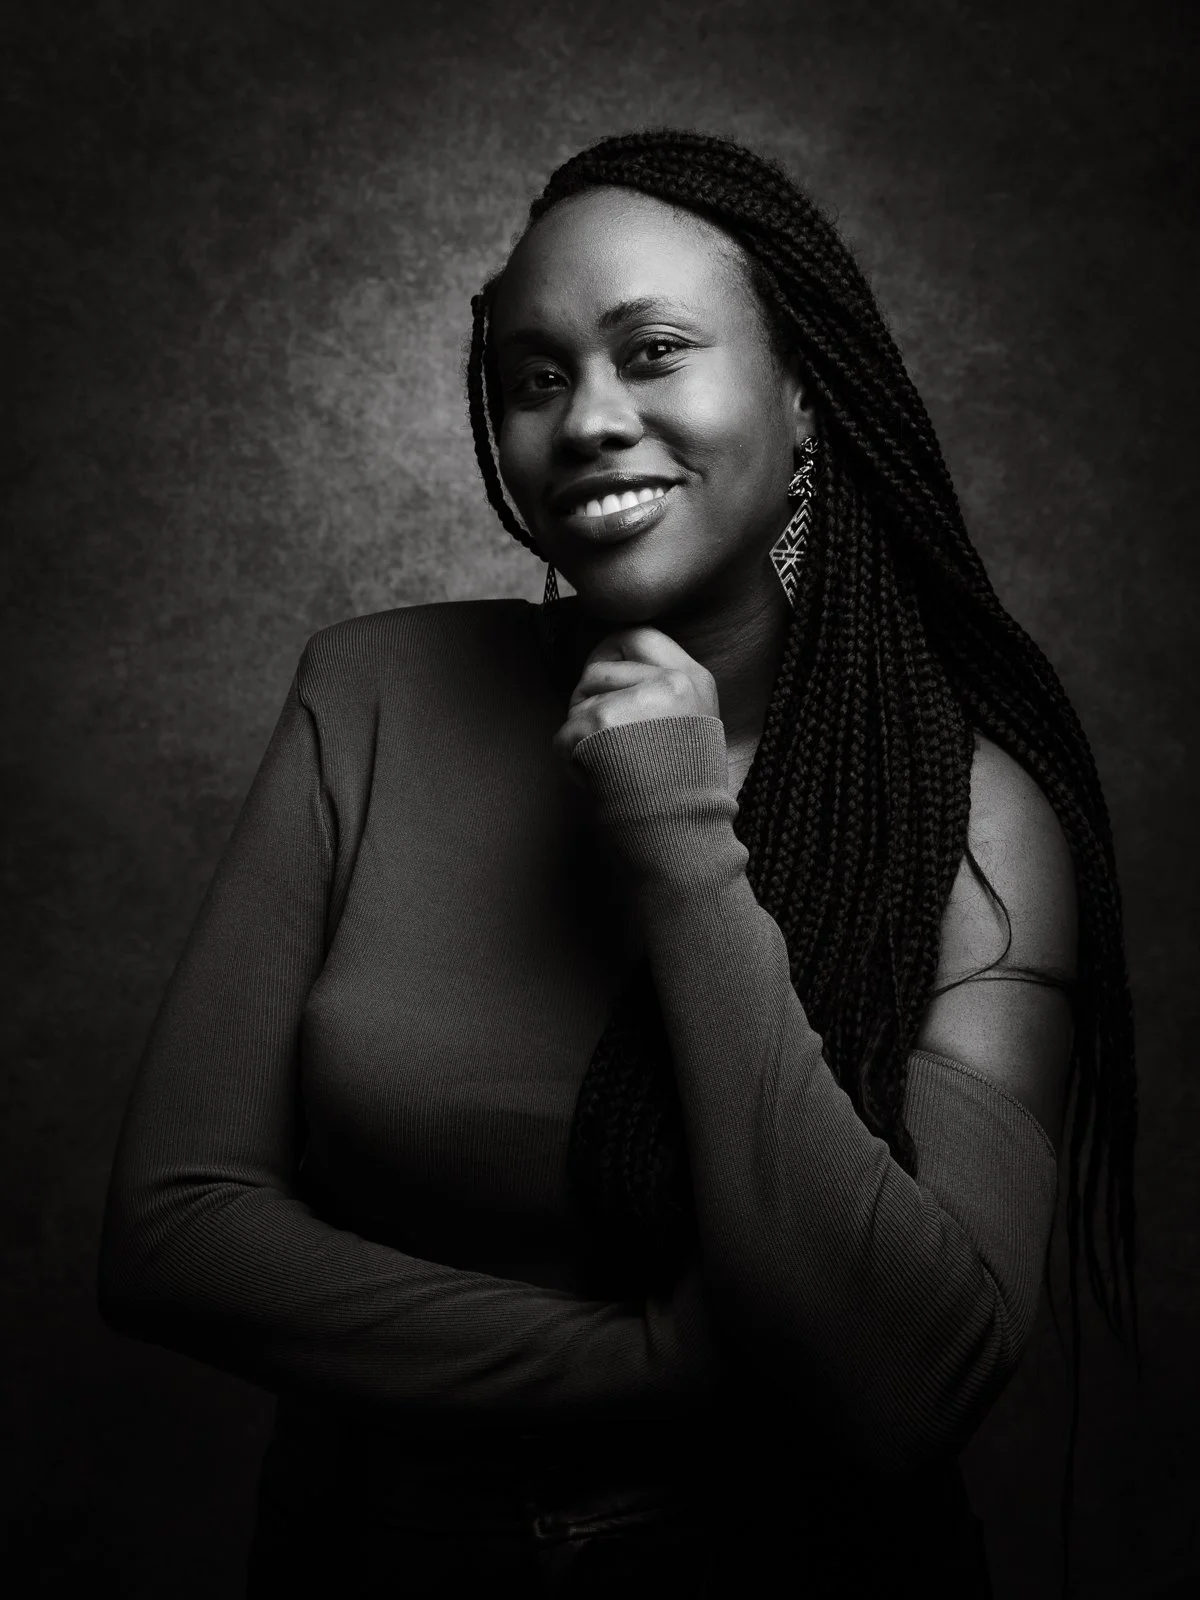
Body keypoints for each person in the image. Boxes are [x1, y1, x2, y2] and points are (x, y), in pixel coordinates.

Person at [96, 128, 1139, 1597]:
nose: (586, 418)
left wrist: (677, 833)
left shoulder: (978, 815)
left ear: (802, 397)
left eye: (653, 352)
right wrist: (653, 1362)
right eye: (536, 377)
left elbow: (913, 1383)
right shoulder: (375, 694)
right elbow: (173, 1233)